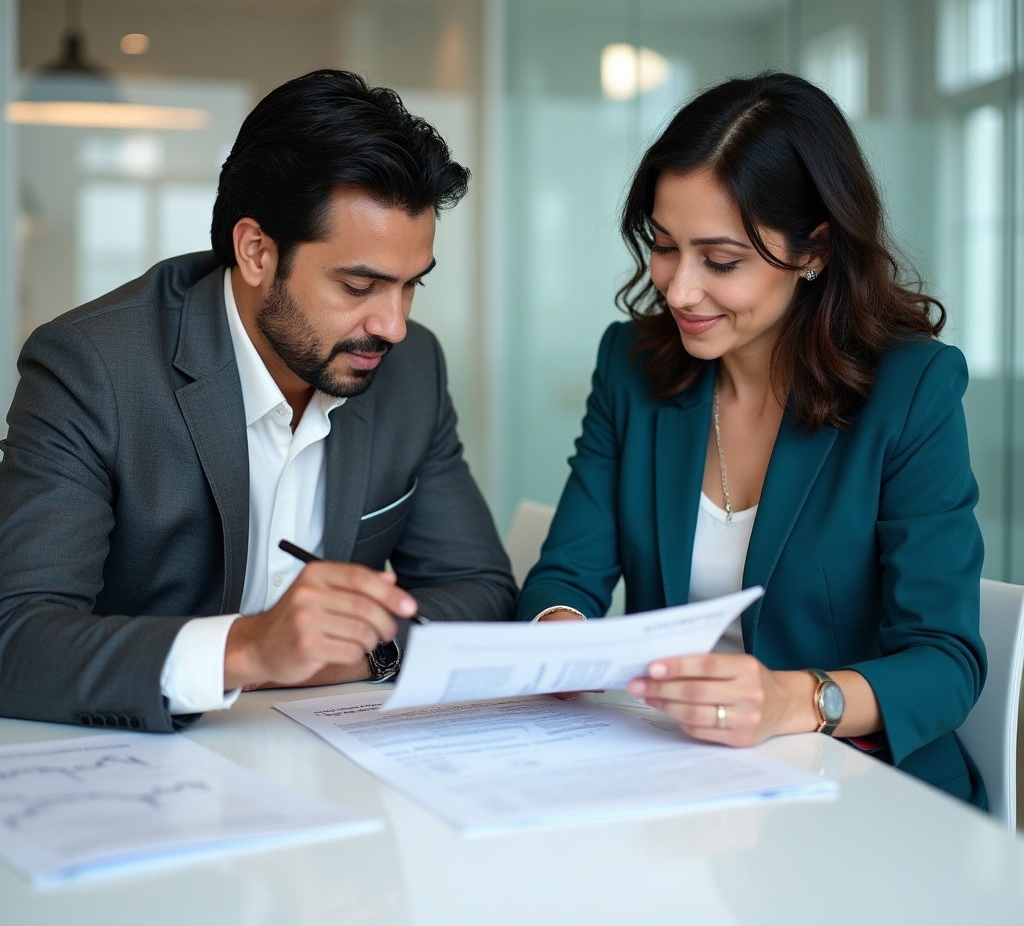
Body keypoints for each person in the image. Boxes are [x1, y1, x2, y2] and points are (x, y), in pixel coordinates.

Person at [517, 72, 987, 807]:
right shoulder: (632, 367)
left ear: (814, 251)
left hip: (860, 794)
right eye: (664, 247)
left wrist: (792, 701)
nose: (677, 290)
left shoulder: (912, 390)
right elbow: (566, 575)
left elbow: (945, 662)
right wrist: (560, 634)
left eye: (721, 260)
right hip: (680, 782)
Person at [0, 69, 516, 732]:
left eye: (412, 285)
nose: (393, 324)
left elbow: (481, 593)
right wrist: (246, 649)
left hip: (332, 760)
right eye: (359, 286)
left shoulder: (412, 367)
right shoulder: (94, 366)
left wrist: (360, 653)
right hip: (137, 768)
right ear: (255, 252)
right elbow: (15, 638)